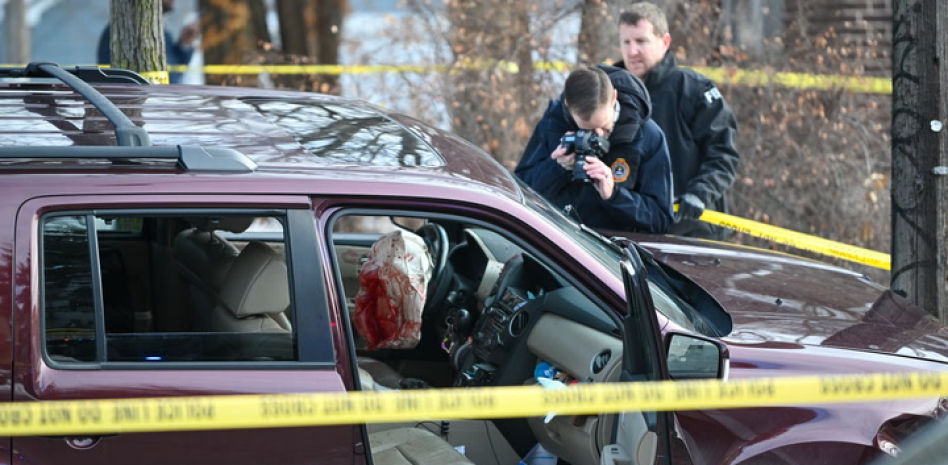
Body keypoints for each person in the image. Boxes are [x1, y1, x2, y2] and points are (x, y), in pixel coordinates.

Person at [615, 2, 740, 239]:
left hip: (691, 234)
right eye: (626, 42)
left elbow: (723, 155)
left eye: (641, 41)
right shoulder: (608, 93)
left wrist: (699, 194)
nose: (632, 52)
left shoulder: (694, 90)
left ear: (665, 42)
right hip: (627, 235)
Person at [516, 65, 673, 234]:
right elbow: (520, 190)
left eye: (604, 128)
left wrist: (614, 195)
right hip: (554, 240)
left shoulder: (647, 136)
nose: (597, 136)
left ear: (614, 98)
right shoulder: (555, 121)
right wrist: (557, 167)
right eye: (587, 130)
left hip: (608, 252)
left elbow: (660, 219)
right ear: (568, 106)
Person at [96, 0, 199, 84]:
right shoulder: (120, 31)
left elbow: (176, 70)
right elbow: (112, 75)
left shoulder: (164, 33)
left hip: (166, 100)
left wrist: (185, 43)